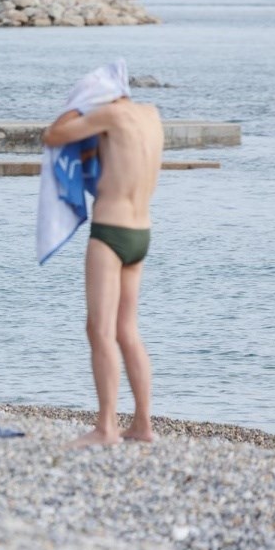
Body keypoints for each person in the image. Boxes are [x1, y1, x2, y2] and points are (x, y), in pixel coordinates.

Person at [41, 82, 163, 448]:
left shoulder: (109, 114)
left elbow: (54, 135)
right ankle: (143, 424)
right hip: (142, 232)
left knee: (99, 330)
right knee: (128, 329)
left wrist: (74, 106)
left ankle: (107, 427)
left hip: (110, 230)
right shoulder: (151, 115)